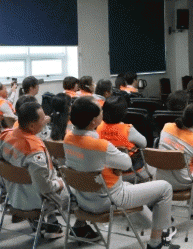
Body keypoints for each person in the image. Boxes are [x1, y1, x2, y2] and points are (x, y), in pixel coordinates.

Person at [64, 97, 178, 249]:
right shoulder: (101, 146)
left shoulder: (67, 138)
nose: (103, 112)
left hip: (83, 200)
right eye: (100, 111)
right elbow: (126, 163)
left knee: (130, 186)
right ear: (93, 121)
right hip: (109, 199)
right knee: (165, 188)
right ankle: (156, 244)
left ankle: (159, 229)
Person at [0, 101, 97, 240]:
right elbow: (45, 188)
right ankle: (80, 227)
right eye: (43, 118)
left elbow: (0, 164)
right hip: (38, 201)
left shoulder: (4, 136)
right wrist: (60, 183)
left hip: (14, 196)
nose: (46, 120)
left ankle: (50, 224)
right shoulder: (34, 150)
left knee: (40, 179)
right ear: (32, 125)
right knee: (81, 188)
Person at [97, 96, 149, 180]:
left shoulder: (98, 127)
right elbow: (144, 143)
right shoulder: (128, 129)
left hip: (106, 170)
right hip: (129, 171)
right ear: (123, 113)